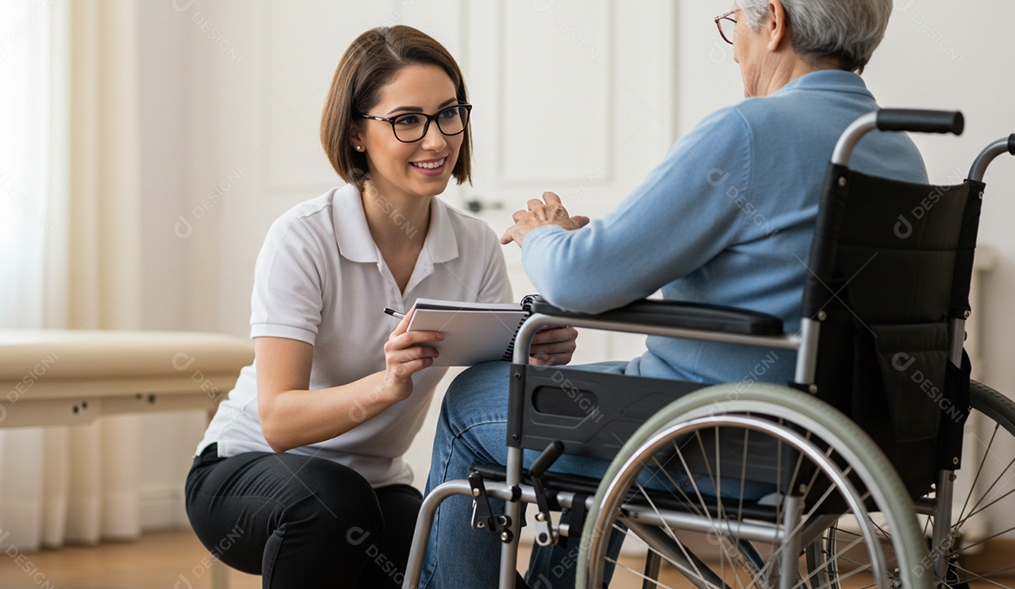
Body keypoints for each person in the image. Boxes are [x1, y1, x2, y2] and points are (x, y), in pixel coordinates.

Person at [418, 0, 927, 587]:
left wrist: (544, 235)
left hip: (719, 438)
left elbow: (577, 280)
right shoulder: (896, 148)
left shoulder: (751, 132)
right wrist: (598, 251)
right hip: (852, 442)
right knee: (584, 412)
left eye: (735, 23)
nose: (734, 48)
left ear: (775, 23)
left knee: (471, 400)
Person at [184, 25, 577, 589]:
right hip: (243, 470)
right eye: (407, 120)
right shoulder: (304, 237)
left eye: (448, 114)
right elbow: (278, 421)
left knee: (460, 557)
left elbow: (497, 383)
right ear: (356, 134)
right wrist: (385, 386)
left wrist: (541, 340)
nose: (437, 140)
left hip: (377, 484)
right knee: (333, 503)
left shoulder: (475, 245)